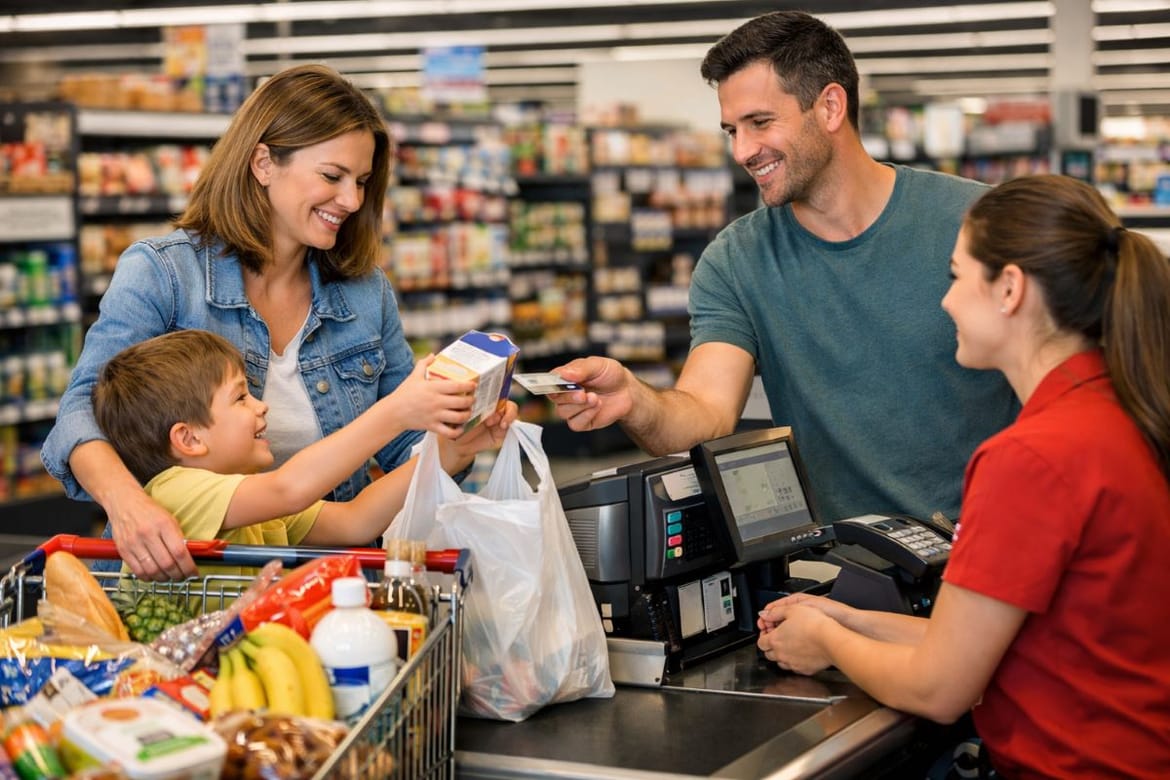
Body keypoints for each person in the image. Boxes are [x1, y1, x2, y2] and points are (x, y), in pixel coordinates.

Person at [757, 175, 1170, 778]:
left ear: (1009, 289)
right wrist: (846, 618)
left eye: (956, 276)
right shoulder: (1122, 413)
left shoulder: (1032, 459)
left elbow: (938, 689)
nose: (945, 300)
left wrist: (827, 645)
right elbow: (978, 639)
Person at [550, 11, 1017, 523]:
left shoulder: (980, 224)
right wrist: (636, 402)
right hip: (844, 575)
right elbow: (705, 412)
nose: (742, 151)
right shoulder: (736, 260)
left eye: (760, 122)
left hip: (994, 554)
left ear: (831, 106)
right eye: (731, 130)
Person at [41, 64, 495, 579]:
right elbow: (81, 409)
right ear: (263, 162)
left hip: (334, 576)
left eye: (363, 181)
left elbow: (397, 451)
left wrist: (451, 437)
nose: (352, 201)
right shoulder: (165, 273)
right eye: (332, 176)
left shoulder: (365, 291)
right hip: (186, 578)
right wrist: (128, 504)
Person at [92, 329, 510, 575]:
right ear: (189, 440)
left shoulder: (247, 495)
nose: (261, 405)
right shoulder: (174, 490)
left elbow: (355, 520)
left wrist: (449, 452)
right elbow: (290, 488)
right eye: (241, 399)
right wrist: (396, 412)